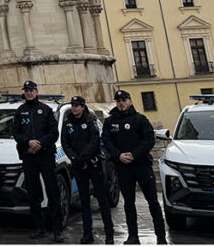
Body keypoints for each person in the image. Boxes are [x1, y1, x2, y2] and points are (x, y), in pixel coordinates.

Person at [102, 90, 166, 245]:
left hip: (141, 165)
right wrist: (119, 155)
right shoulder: (110, 122)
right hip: (123, 167)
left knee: (153, 202)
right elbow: (107, 141)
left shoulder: (140, 119)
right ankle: (133, 236)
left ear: (130, 101)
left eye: (124, 100)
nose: (121, 103)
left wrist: (134, 154)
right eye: (118, 101)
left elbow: (149, 140)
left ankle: (161, 236)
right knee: (129, 203)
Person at [13, 80, 63, 242]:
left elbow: (53, 133)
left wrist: (39, 143)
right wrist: (28, 142)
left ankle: (57, 230)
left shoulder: (46, 110)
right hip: (29, 156)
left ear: (36, 91)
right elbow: (16, 133)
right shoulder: (20, 111)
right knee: (33, 193)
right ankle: (39, 228)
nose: (29, 93)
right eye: (26, 90)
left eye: (31, 90)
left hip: (45, 155)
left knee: (53, 192)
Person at [62, 96, 114, 245]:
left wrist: (81, 159)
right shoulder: (68, 123)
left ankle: (109, 233)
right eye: (73, 105)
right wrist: (74, 158)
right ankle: (87, 233)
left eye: (77, 105)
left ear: (83, 107)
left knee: (102, 200)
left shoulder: (90, 121)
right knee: (84, 201)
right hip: (79, 166)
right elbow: (65, 142)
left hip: (93, 164)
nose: (74, 108)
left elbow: (94, 142)